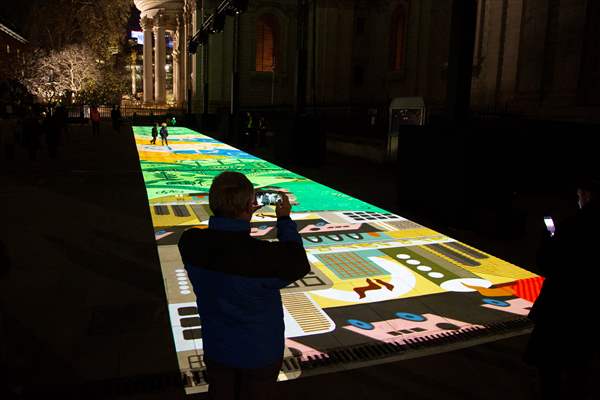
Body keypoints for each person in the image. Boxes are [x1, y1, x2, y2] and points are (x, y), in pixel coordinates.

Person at [178, 171, 310, 400]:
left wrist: (240, 211)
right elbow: (297, 261)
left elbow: (221, 244)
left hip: (217, 347)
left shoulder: (191, 243)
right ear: (249, 206)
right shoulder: (263, 257)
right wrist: (284, 219)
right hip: (260, 354)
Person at [525, 177, 600, 400]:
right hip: (589, 311)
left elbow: (548, 262)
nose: (578, 200)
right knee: (580, 368)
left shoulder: (574, 226)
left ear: (586, 195)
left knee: (551, 370)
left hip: (561, 308)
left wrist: (547, 239)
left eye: (579, 196)